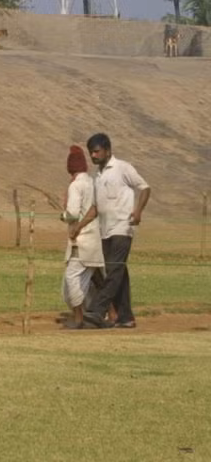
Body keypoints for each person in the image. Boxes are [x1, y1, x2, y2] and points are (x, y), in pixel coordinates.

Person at [83, 133, 151, 329]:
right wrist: (78, 226)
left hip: (122, 227)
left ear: (108, 150)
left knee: (114, 270)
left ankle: (97, 310)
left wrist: (138, 211)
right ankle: (126, 317)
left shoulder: (122, 168)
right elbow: (95, 208)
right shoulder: (97, 177)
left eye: (96, 151)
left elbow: (145, 188)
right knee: (118, 272)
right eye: (91, 153)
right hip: (105, 231)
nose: (93, 156)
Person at [60, 144, 102, 329]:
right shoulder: (93, 183)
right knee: (98, 278)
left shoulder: (76, 186)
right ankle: (112, 313)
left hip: (80, 240)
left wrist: (63, 215)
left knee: (71, 279)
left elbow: (73, 213)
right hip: (96, 239)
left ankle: (78, 318)